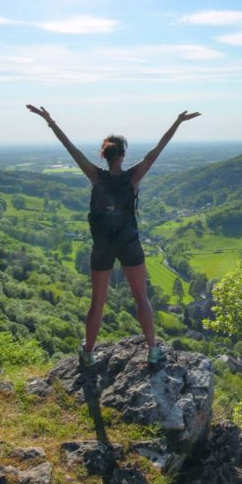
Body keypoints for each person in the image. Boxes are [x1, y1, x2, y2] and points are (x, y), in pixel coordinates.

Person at [26, 105, 201, 366]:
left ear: (104, 156)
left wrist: (49, 120)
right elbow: (157, 150)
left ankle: (88, 354)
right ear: (123, 155)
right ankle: (153, 350)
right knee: (141, 297)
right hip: (129, 241)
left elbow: (70, 148)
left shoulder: (95, 176)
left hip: (102, 245)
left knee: (97, 301)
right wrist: (177, 122)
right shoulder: (133, 177)